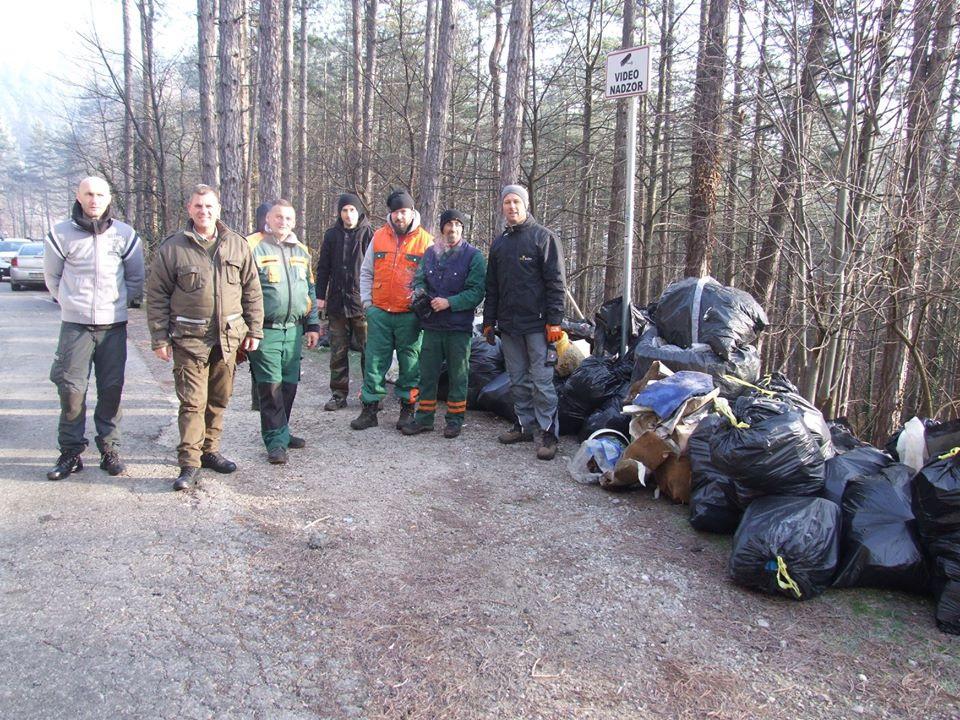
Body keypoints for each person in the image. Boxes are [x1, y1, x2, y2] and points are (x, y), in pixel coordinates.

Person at [146, 184, 264, 491]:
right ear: (189, 209)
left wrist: (254, 330)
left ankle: (210, 450)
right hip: (189, 340)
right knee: (192, 403)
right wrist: (159, 337)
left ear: (218, 209)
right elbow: (157, 295)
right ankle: (189, 462)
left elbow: (251, 290)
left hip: (228, 340)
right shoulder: (173, 248)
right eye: (198, 206)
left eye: (209, 206)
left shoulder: (236, 244)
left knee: (218, 400)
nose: (204, 211)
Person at [43, 176, 145, 481]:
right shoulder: (60, 234)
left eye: (100, 194)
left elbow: (136, 279)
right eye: (88, 194)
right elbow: (52, 277)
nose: (94, 200)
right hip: (75, 326)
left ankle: (109, 449)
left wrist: (115, 305)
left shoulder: (125, 235)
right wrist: (71, 304)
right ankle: (71, 453)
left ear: (108, 197)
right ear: (78, 196)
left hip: (113, 326)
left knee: (111, 389)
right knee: (71, 390)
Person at [482, 184, 566, 461]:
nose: (512, 207)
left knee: (542, 382)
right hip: (509, 325)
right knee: (517, 380)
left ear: (526, 204)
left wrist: (555, 322)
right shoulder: (500, 244)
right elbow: (491, 286)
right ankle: (523, 425)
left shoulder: (544, 238)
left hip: (539, 326)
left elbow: (556, 284)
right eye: (507, 202)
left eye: (516, 202)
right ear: (502, 207)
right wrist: (489, 320)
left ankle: (548, 433)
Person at [350, 190, 433, 431]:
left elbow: (432, 278)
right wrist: (368, 304)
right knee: (374, 362)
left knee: (410, 363)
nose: (399, 216)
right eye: (395, 212)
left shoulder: (425, 241)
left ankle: (407, 410)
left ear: (412, 212)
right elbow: (366, 272)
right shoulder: (378, 237)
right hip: (380, 313)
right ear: (390, 213)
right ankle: (370, 410)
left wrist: (422, 304)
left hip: (409, 315)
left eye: (404, 211)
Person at [246, 200, 321, 464]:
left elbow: (309, 290)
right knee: (271, 387)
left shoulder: (301, 250)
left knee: (289, 385)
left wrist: (312, 325)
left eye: (288, 218)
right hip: (265, 330)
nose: (284, 222)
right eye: (278, 217)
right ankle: (275, 441)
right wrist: (249, 328)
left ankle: (283, 431)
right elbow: (243, 290)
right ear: (268, 218)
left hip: (294, 330)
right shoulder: (252, 246)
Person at [401, 209, 485, 439]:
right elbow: (419, 279)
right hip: (432, 326)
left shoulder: (474, 256)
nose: (453, 230)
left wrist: (450, 302)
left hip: (458, 328)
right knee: (427, 373)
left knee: (459, 375)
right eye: (448, 225)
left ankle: (455, 420)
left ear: (462, 229)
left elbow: (477, 291)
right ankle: (424, 418)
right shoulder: (430, 254)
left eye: (457, 225)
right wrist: (420, 293)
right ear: (442, 229)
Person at [315, 192, 373, 411]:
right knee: (338, 351)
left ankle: (370, 395)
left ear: (359, 212)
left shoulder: (369, 234)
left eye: (352, 210)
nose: (348, 215)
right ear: (339, 213)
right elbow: (323, 268)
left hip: (362, 303)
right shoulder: (332, 235)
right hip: (337, 304)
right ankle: (338, 394)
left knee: (370, 351)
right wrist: (320, 297)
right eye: (344, 210)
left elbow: (376, 269)